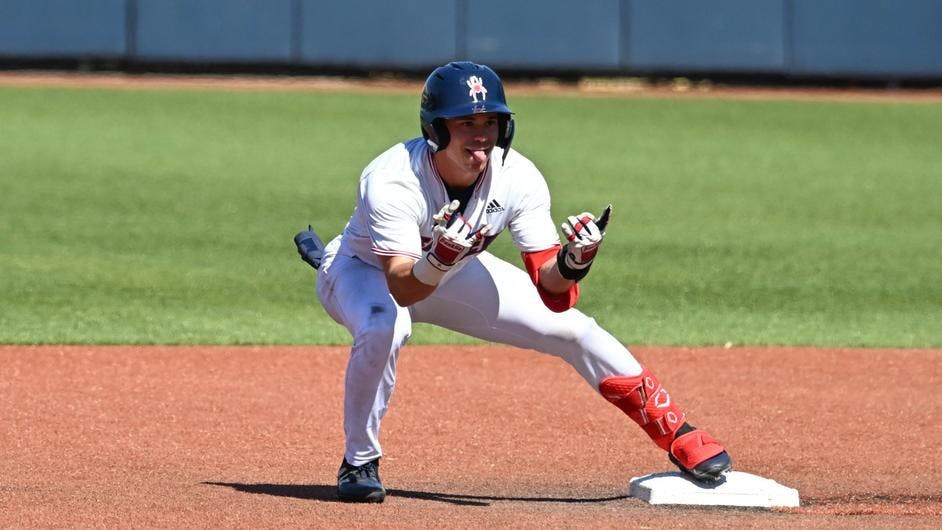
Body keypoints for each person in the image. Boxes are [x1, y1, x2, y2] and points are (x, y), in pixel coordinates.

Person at [294, 61, 731, 503]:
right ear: (436, 129)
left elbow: (552, 291)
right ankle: (359, 461)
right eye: (466, 122)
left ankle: (677, 432)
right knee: (386, 326)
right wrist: (442, 257)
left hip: (450, 273)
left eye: (491, 121)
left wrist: (574, 261)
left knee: (574, 330)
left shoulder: (518, 177)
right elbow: (404, 290)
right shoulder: (392, 178)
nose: (481, 134)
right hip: (362, 272)